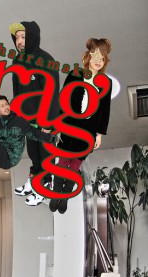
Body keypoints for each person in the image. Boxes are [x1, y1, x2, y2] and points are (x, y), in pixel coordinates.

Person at [50, 38, 112, 214]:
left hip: (88, 129)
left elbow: (105, 108)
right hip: (70, 124)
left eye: (102, 58)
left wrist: (99, 134)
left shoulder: (106, 82)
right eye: (96, 56)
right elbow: (63, 99)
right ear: (88, 56)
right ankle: (56, 194)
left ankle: (64, 198)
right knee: (63, 161)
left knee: (75, 165)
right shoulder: (75, 74)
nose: (99, 61)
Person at [8, 21, 60, 207]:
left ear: (32, 37)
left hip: (45, 120)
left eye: (23, 37)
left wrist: (48, 123)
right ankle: (34, 181)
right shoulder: (17, 61)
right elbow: (17, 92)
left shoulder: (46, 60)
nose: (19, 41)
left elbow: (52, 93)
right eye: (16, 38)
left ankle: (43, 187)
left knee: (45, 155)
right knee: (33, 154)